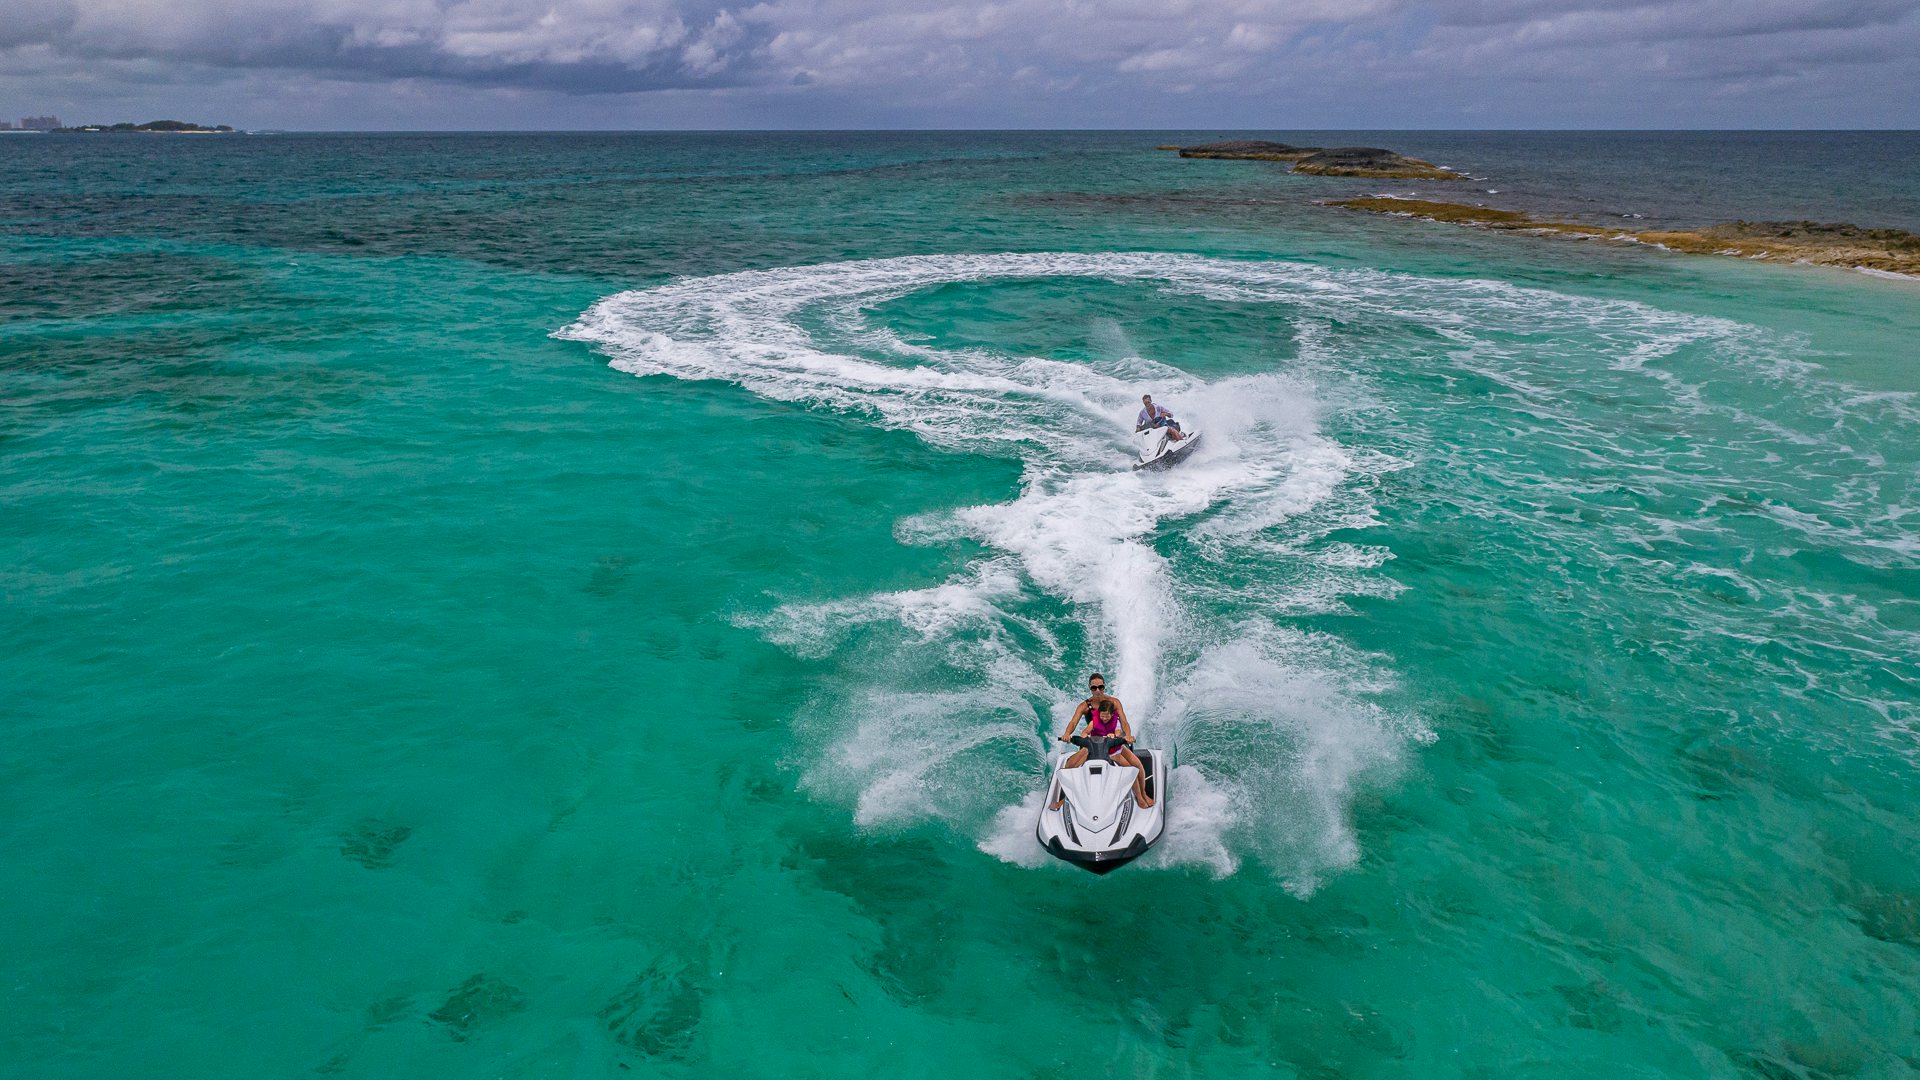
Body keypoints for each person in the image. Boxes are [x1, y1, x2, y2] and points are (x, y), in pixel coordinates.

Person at [1049, 673, 1155, 809]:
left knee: (1137, 765)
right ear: (1089, 688)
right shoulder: (1085, 706)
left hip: (1112, 742)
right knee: (1070, 766)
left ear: (1104, 686)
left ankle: (1142, 795)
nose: (1097, 690)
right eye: (1094, 688)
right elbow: (1073, 722)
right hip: (1092, 743)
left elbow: (1124, 722)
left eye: (1100, 687)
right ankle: (1064, 801)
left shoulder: (1114, 702)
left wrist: (1127, 735)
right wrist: (1067, 734)